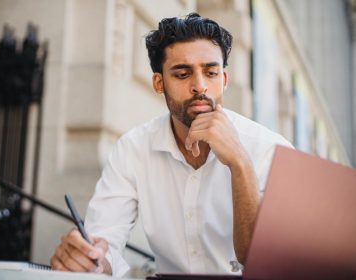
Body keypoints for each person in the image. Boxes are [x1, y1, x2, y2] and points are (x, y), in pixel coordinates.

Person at [50, 13, 293, 277]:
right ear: (158, 82)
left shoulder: (271, 149)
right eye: (182, 73)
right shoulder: (133, 149)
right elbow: (104, 242)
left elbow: (270, 262)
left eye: (210, 72)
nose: (199, 86)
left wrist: (240, 163)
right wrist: (90, 261)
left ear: (223, 79)